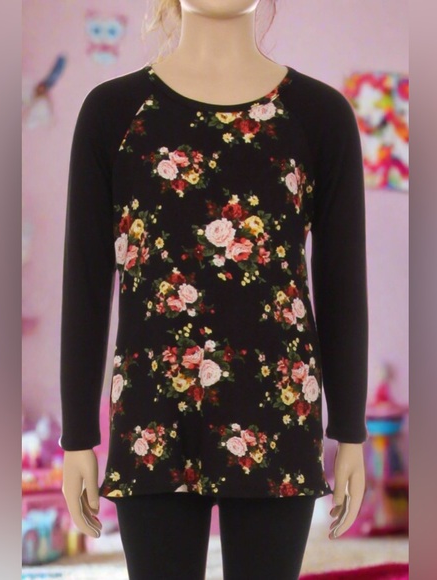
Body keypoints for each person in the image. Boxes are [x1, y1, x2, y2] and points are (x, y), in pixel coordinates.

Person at [59, 1, 369, 578]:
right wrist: (77, 435)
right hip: (152, 415)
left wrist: (349, 430)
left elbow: (342, 284)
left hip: (278, 412)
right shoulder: (114, 113)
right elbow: (85, 280)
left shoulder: (319, 116)